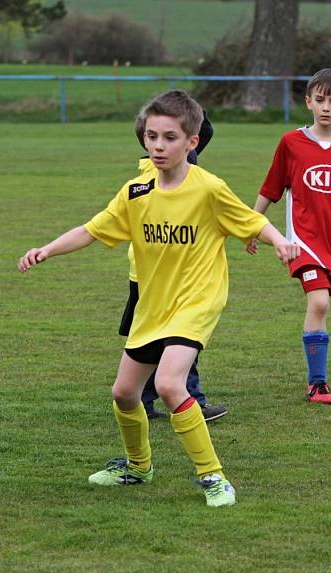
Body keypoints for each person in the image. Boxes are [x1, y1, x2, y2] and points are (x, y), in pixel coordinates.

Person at [18, 90, 299, 506]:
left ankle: (214, 477)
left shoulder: (208, 189)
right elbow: (94, 229)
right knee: (124, 392)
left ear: (192, 142)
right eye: (152, 136)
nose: (158, 145)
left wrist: (279, 240)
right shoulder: (136, 191)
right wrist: (47, 249)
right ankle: (137, 467)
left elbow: (251, 220)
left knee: (169, 383)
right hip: (154, 304)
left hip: (197, 300)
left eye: (170, 137)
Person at [247, 68, 331, 405]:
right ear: (308, 102)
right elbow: (271, 187)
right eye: (320, 100)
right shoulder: (292, 143)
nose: (326, 107)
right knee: (318, 302)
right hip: (306, 242)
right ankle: (317, 382)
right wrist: (253, 225)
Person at [121, 112, 227, 422]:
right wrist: (184, 108)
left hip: (164, 274)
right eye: (155, 137)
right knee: (170, 340)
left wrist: (181, 107)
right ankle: (186, 399)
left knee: (166, 339)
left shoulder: (172, 161)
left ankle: (148, 399)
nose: (162, 145)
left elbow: (202, 130)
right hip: (156, 275)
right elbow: (204, 130)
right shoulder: (161, 172)